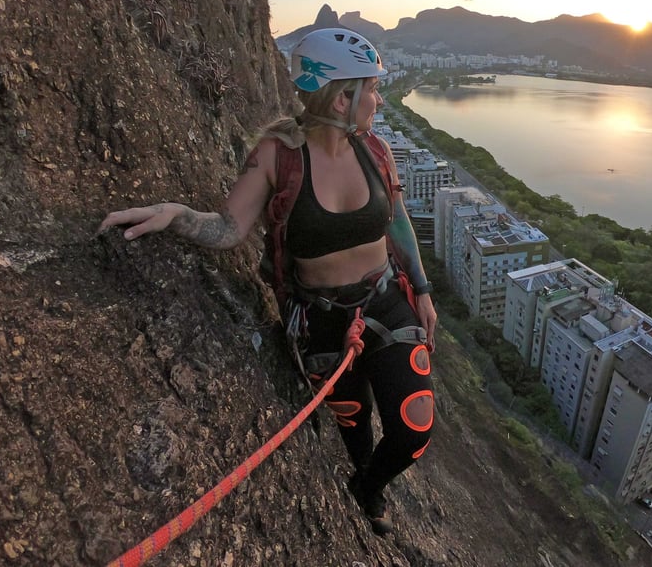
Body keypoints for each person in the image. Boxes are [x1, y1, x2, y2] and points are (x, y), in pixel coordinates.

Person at [99, 27, 436, 535]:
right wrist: (176, 215)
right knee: (354, 418)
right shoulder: (278, 156)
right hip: (322, 321)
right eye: (370, 88)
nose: (378, 97)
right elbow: (229, 227)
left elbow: (398, 222)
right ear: (342, 96)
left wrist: (423, 288)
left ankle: (368, 488)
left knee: (414, 429)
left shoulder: (376, 151)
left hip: (386, 301)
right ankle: (362, 478)